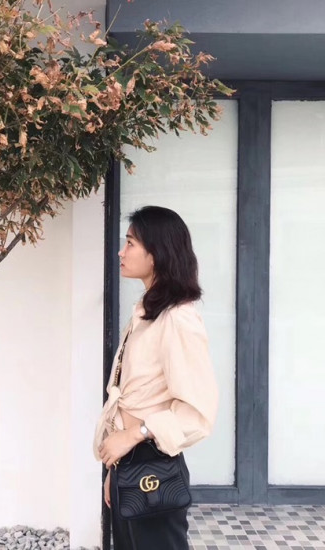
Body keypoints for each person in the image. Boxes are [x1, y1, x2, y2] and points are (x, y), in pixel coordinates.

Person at [94, 205, 219, 550]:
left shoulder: (178, 318)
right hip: (131, 464)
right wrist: (117, 470)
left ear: (156, 254)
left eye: (130, 243)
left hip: (153, 467)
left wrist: (133, 436)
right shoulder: (148, 313)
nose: (121, 252)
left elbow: (197, 412)